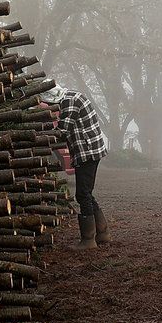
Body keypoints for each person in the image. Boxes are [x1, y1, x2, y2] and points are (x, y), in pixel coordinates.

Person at [41, 85, 111, 250]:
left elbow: (62, 130)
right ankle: (103, 233)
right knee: (87, 193)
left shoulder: (70, 101)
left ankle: (88, 240)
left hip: (87, 152)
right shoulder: (71, 96)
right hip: (89, 150)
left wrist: (41, 136)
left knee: (82, 195)